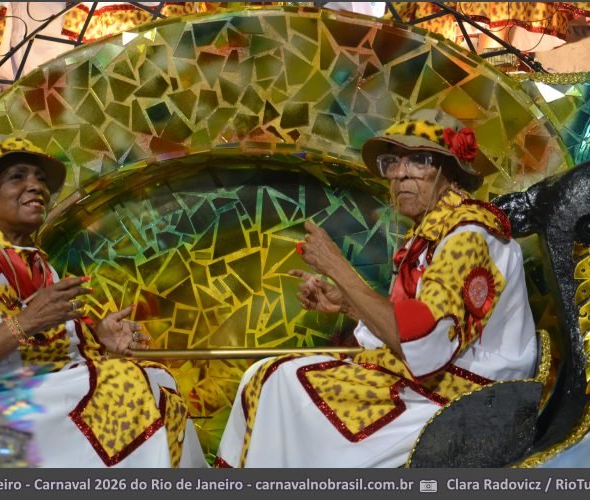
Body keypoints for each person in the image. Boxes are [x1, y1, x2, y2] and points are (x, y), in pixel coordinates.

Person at [215, 109, 539, 467]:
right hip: (434, 384)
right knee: (267, 378)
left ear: (449, 172)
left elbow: (425, 347)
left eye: (418, 161)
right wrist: (348, 303)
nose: (399, 174)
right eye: (393, 162)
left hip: (465, 399)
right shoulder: (436, 231)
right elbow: (418, 325)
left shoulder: (467, 237)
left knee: (278, 383)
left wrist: (338, 268)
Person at [0, 137, 206, 468]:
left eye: (41, 179)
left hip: (30, 396)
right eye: (17, 177)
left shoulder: (37, 265)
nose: (36, 186)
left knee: (157, 378)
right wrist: (27, 322)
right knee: (123, 383)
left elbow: (51, 350)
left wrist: (100, 339)